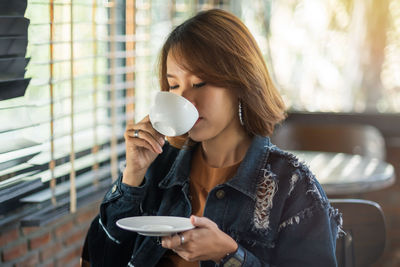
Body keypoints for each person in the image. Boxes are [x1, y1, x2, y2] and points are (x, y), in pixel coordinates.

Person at [82, 9, 342, 267]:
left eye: (199, 83)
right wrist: (132, 176)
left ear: (241, 83)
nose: (184, 98)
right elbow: (98, 260)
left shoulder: (292, 186)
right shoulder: (157, 167)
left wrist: (230, 255)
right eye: (174, 85)